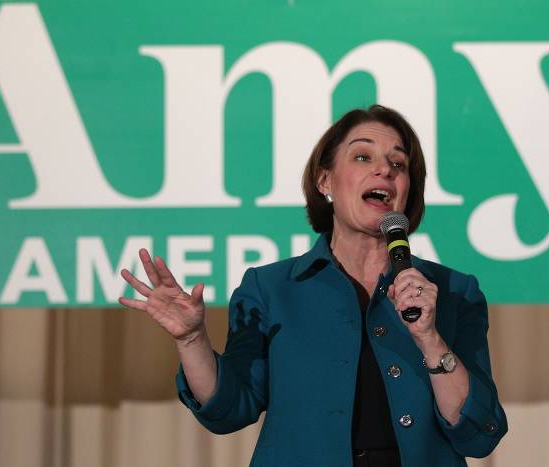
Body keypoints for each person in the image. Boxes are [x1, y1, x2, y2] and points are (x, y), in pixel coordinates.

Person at [119, 105, 507, 466]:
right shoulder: (271, 288)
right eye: (362, 156)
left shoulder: (454, 291)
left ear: (408, 191)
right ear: (325, 181)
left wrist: (430, 338)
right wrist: (190, 340)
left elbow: (478, 436)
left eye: (398, 163)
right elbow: (229, 410)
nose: (384, 170)